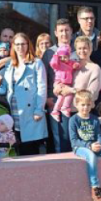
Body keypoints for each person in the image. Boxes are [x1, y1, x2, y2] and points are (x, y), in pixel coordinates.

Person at [0, 33, 48, 155]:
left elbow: (42, 88)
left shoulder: (36, 63)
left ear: (28, 45)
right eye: (17, 44)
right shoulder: (10, 64)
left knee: (31, 149)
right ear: (13, 46)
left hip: (31, 112)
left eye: (23, 44)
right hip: (15, 112)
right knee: (19, 148)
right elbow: (5, 88)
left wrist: (39, 110)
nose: (20, 47)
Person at [43, 19, 74, 153]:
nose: (64, 33)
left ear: (71, 32)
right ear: (56, 33)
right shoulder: (49, 53)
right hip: (55, 100)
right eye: (61, 31)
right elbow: (44, 78)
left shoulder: (77, 51)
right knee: (58, 136)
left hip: (74, 100)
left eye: (67, 30)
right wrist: (47, 97)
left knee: (71, 135)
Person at [49, 45, 80, 121]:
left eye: (65, 57)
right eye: (60, 57)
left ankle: (57, 110)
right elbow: (52, 63)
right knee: (64, 96)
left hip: (67, 83)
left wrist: (76, 65)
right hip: (59, 82)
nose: (62, 59)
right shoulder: (58, 64)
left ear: (69, 56)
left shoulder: (70, 63)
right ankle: (61, 109)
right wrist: (56, 55)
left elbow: (76, 65)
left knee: (65, 96)